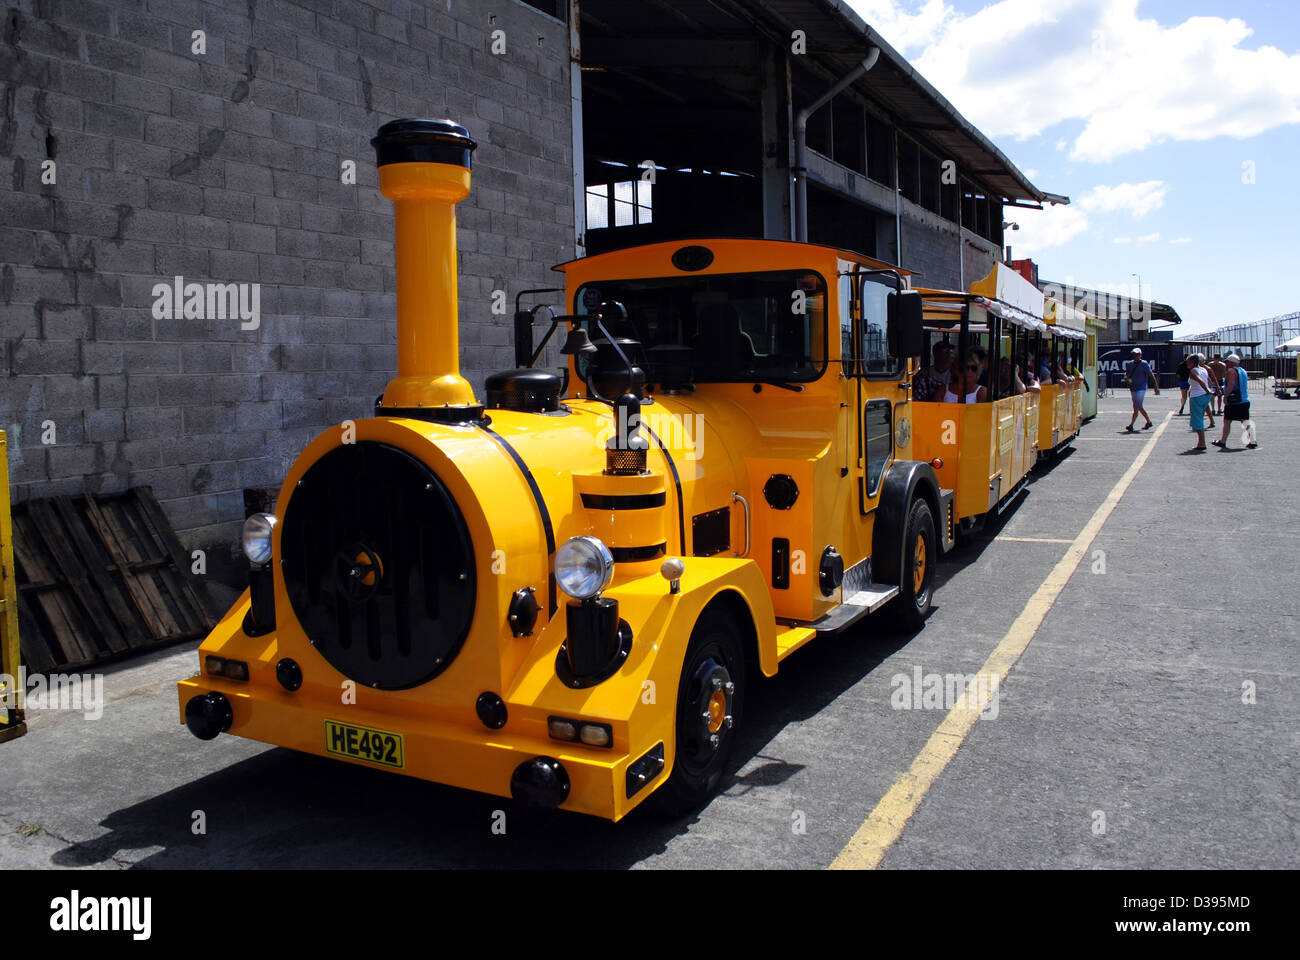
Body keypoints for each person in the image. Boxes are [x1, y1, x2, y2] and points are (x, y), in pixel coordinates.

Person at [1213, 354, 1258, 449]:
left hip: (1234, 400)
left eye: (1228, 362)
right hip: (1244, 399)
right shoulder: (1242, 371)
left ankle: (1223, 441)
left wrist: (1226, 395)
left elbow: (1231, 384)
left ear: (1231, 362)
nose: (1226, 364)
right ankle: (1253, 441)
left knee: (1227, 421)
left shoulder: (1231, 371)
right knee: (1245, 421)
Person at [1184, 353, 1215, 452]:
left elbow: (1200, 380)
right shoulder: (1203, 369)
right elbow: (1209, 382)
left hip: (1197, 396)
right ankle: (1200, 442)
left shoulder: (1193, 371)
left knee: (1197, 419)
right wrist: (1208, 391)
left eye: (1188, 361)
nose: (1187, 363)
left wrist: (1206, 390)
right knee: (1199, 418)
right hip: (1205, 396)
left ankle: (1202, 443)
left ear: (1192, 362)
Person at [1124, 347, 1158, 431]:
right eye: (1134, 354)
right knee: (1136, 406)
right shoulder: (1130, 364)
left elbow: (1151, 375)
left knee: (1137, 405)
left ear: (1140, 355)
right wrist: (1126, 378)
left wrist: (1155, 386)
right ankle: (1148, 422)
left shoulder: (1144, 364)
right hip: (1133, 388)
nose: (1135, 356)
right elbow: (1127, 373)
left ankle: (1131, 425)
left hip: (1141, 388)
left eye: (1136, 354)